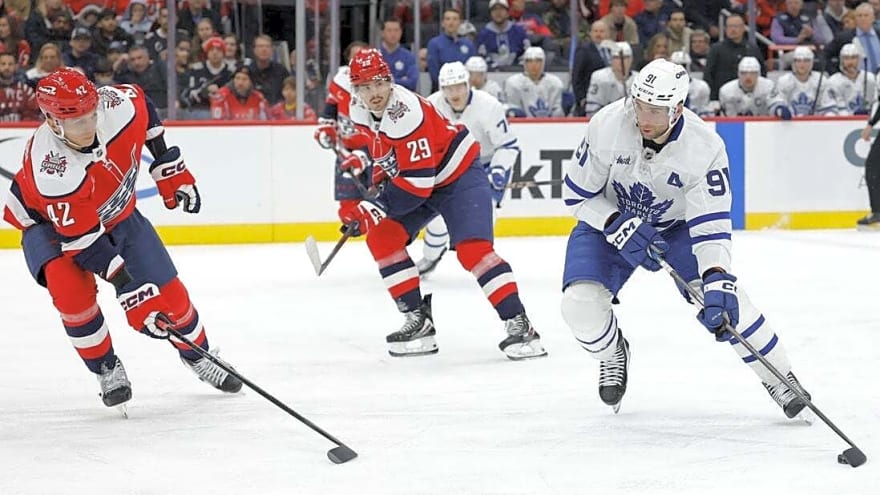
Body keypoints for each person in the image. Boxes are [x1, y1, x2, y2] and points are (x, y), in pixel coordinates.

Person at [561, 58, 812, 417]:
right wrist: (614, 221)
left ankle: (779, 377)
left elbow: (710, 224)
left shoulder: (704, 147)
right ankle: (613, 353)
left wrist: (715, 275)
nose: (644, 118)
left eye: (656, 110)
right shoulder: (607, 124)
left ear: (677, 109)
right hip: (609, 221)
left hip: (676, 228)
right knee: (578, 305)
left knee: (725, 300)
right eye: (639, 105)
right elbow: (576, 195)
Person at [1, 68, 242, 412]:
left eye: (91, 115)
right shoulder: (51, 168)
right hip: (50, 226)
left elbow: (145, 106)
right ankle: (105, 368)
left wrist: (165, 164)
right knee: (73, 297)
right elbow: (85, 243)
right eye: (77, 122)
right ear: (53, 122)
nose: (89, 126)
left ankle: (199, 355)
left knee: (170, 293)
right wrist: (129, 289)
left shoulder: (114, 105)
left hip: (116, 211)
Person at [338, 48, 546, 360]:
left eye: (379, 83)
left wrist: (376, 205)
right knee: (382, 237)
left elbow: (416, 188)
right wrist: (377, 182)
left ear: (390, 81)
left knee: (473, 250)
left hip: (457, 174)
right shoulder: (358, 109)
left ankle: (520, 324)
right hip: (420, 177)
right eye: (365, 87)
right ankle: (418, 321)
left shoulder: (405, 112)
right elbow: (385, 152)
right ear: (356, 90)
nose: (374, 93)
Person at [415, 61, 519, 275]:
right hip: (447, 169)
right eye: (448, 88)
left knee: (482, 220)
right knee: (436, 219)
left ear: (468, 84)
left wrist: (498, 170)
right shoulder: (430, 105)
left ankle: (485, 264)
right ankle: (430, 257)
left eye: (459, 87)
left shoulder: (489, 106)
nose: (454, 93)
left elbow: (507, 145)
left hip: (483, 168)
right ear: (441, 88)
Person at [313, 41, 373, 223]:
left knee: (378, 201)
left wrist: (364, 155)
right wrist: (326, 126)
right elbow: (331, 107)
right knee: (348, 204)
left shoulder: (379, 86)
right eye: (355, 56)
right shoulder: (340, 81)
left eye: (363, 56)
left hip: (375, 153)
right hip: (346, 150)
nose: (358, 60)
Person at [719, 56, 791, 118]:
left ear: (758, 74)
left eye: (753, 73)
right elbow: (727, 117)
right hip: (737, 126)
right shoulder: (726, 91)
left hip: (763, 126)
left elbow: (774, 102)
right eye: (744, 73)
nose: (748, 77)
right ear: (738, 74)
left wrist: (778, 109)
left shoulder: (768, 86)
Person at [504, 46, 564, 118]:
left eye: (538, 61)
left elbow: (557, 110)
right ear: (524, 63)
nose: (534, 65)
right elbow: (513, 110)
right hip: (522, 124)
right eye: (529, 61)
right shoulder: (513, 83)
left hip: (550, 123)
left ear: (544, 62)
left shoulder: (555, 83)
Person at [775, 46, 836, 116]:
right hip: (790, 121)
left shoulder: (821, 80)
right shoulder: (784, 81)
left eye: (806, 61)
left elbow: (828, 106)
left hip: (816, 121)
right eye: (798, 61)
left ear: (812, 62)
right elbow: (779, 104)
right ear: (793, 63)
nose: (802, 64)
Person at [584, 41, 636, 117]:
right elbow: (591, 110)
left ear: (631, 59)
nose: (621, 61)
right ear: (611, 59)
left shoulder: (639, 79)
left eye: (625, 57)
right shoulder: (599, 77)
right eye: (617, 58)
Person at [827, 43, 876, 115]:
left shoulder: (870, 78)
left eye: (853, 58)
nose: (850, 62)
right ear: (841, 60)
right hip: (844, 120)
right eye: (846, 58)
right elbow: (832, 110)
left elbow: (875, 102)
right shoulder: (833, 81)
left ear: (859, 59)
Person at [669, 50, 712, 117]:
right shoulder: (664, 88)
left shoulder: (702, 86)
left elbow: (705, 111)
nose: (680, 69)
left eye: (684, 65)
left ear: (689, 66)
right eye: (676, 66)